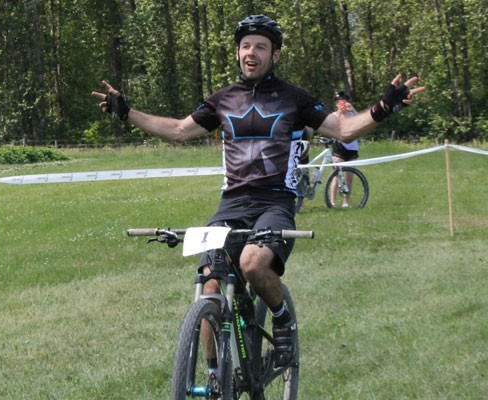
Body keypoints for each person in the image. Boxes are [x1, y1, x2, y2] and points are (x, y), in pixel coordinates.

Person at [92, 14, 424, 369]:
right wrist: (126, 113)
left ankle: (282, 319)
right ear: (237, 53)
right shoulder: (222, 99)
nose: (252, 52)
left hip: (275, 204)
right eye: (246, 46)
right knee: (209, 286)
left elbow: (342, 130)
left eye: (261, 47)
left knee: (252, 262)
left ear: (274, 55)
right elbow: (177, 130)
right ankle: (215, 377)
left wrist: (383, 107)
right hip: (231, 204)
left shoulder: (294, 98)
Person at [330, 91, 359, 207]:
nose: (343, 105)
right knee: (337, 176)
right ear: (337, 104)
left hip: (352, 148)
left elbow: (361, 122)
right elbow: (332, 127)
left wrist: (352, 109)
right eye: (341, 103)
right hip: (339, 148)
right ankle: (332, 201)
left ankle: (346, 201)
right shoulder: (334, 115)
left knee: (349, 178)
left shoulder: (352, 114)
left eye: (346, 102)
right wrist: (340, 114)